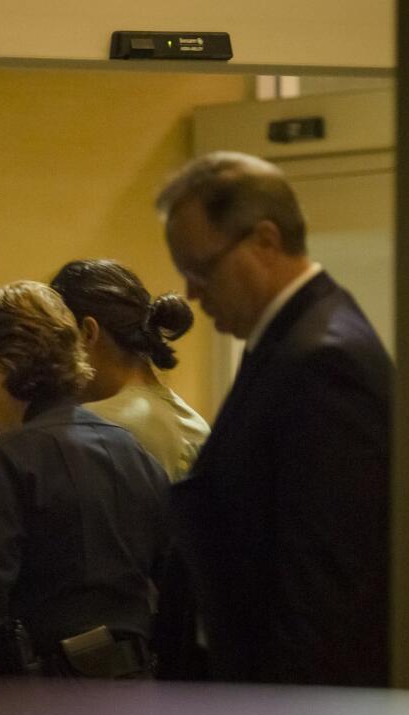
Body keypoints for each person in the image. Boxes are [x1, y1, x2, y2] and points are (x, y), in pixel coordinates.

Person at [155, 151, 393, 687]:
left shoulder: (324, 361)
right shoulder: (290, 343)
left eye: (201, 269)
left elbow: (325, 593)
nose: (192, 293)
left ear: (264, 241)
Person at [0, 281, 171, 715]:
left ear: (8, 363)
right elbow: (176, 584)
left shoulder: (10, 459)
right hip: (137, 702)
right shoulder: (131, 451)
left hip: (45, 711)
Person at [50, 259, 211, 679]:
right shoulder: (187, 417)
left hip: (140, 661)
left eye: (56, 342)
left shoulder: (102, 427)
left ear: (87, 333)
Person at [50, 259, 209, 483]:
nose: (53, 359)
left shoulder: (92, 427)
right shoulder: (196, 425)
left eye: (58, 340)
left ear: (87, 333)